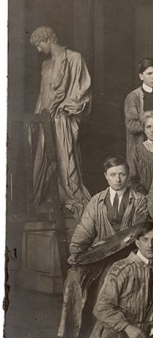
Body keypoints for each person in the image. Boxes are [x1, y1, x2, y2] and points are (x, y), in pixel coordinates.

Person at [57, 156, 149, 338]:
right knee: (74, 278)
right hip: (98, 257)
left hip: (126, 258)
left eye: (122, 174)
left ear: (128, 175)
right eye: (113, 175)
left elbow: (139, 233)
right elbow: (84, 231)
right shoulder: (96, 201)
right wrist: (76, 252)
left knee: (106, 284)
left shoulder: (139, 200)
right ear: (106, 176)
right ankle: (70, 337)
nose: (118, 179)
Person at [58, 223, 153, 338]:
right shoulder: (121, 269)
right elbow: (101, 308)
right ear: (137, 242)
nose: (150, 245)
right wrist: (127, 327)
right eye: (145, 240)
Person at [30, 26, 91, 220]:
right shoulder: (46, 65)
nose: (39, 50)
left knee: (66, 159)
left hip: (63, 119)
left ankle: (71, 201)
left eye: (39, 45)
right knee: (44, 159)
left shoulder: (74, 58)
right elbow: (42, 94)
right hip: (45, 121)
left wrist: (66, 106)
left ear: (48, 39)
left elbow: (83, 89)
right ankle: (50, 199)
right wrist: (36, 117)